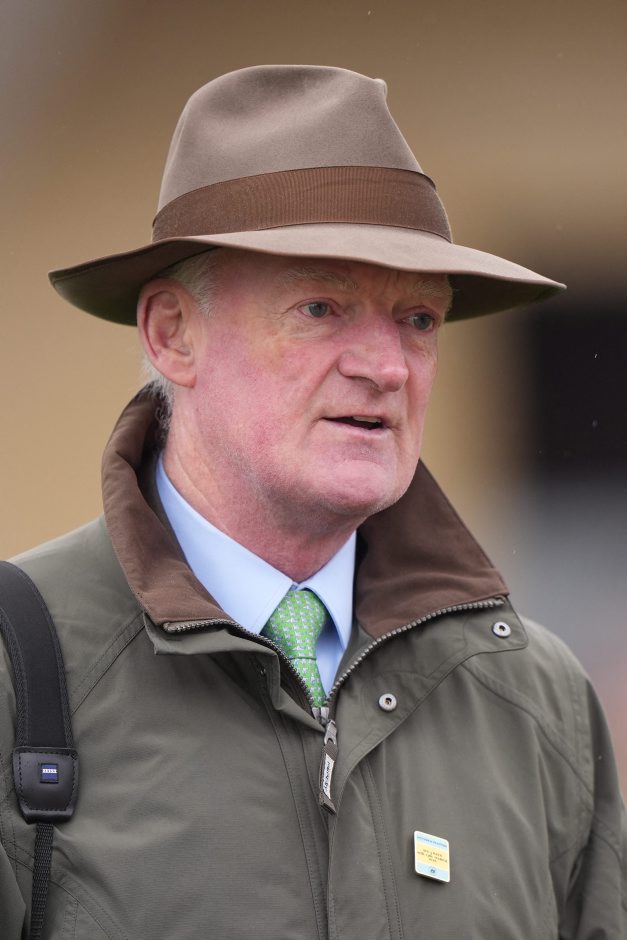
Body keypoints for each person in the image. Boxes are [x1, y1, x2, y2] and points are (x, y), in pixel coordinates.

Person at [0, 65, 624, 940]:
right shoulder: (19, 671)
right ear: (172, 334)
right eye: (321, 307)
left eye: (418, 319)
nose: (387, 366)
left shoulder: (535, 701)